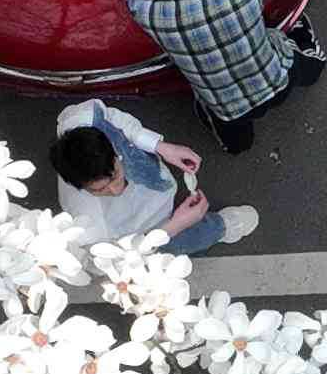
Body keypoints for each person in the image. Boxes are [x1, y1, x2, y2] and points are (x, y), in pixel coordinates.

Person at [122, 0, 327, 155]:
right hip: (277, 79)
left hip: (227, 109)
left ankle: (237, 144)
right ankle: (306, 43)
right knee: (311, 67)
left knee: (236, 144)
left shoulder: (156, 14)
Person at [45, 98, 256, 256]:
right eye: (99, 189)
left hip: (146, 182)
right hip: (135, 233)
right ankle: (220, 228)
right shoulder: (85, 223)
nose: (116, 189)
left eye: (115, 175)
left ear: (113, 151)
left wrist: (160, 146)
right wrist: (174, 226)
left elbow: (116, 120)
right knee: (177, 243)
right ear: (79, 187)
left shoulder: (83, 117)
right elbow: (112, 261)